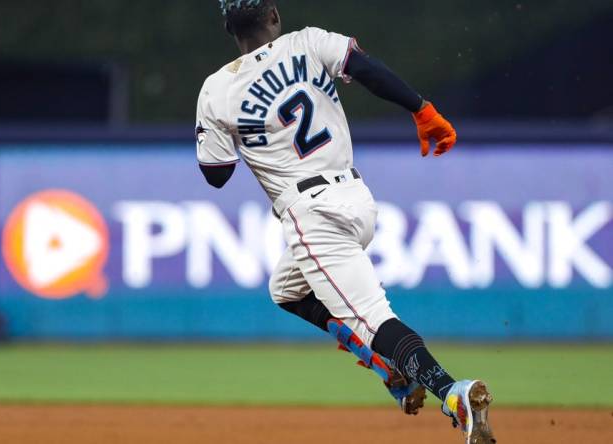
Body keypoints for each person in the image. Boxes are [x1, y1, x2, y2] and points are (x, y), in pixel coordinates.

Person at [194, 1, 495, 443]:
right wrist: (422, 110)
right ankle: (391, 368)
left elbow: (217, 174)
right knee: (286, 289)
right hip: (355, 198)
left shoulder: (217, 89)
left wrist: (239, 131)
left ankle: (453, 393)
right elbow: (367, 70)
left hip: (310, 214)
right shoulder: (309, 41)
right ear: (273, 15)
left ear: (228, 28)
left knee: (373, 317)